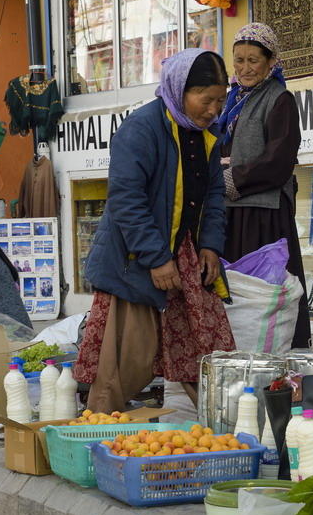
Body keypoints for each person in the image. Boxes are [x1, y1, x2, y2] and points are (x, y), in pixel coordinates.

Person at [74, 49, 235, 412]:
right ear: (179, 91)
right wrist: (157, 259)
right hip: (136, 259)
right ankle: (99, 433)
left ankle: (226, 426)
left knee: (206, 347)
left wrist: (210, 245)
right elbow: (127, 200)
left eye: (220, 100)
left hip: (188, 255)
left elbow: (213, 194)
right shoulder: (142, 128)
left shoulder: (207, 133)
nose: (213, 109)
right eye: (205, 99)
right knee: (127, 360)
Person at [215, 23, 311, 348]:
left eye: (253, 60)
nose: (245, 68)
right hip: (231, 210)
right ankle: (236, 348)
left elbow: (279, 159)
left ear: (271, 61)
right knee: (237, 291)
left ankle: (277, 349)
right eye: (239, 60)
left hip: (263, 214)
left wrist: (233, 178)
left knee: (265, 289)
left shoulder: (279, 99)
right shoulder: (231, 101)